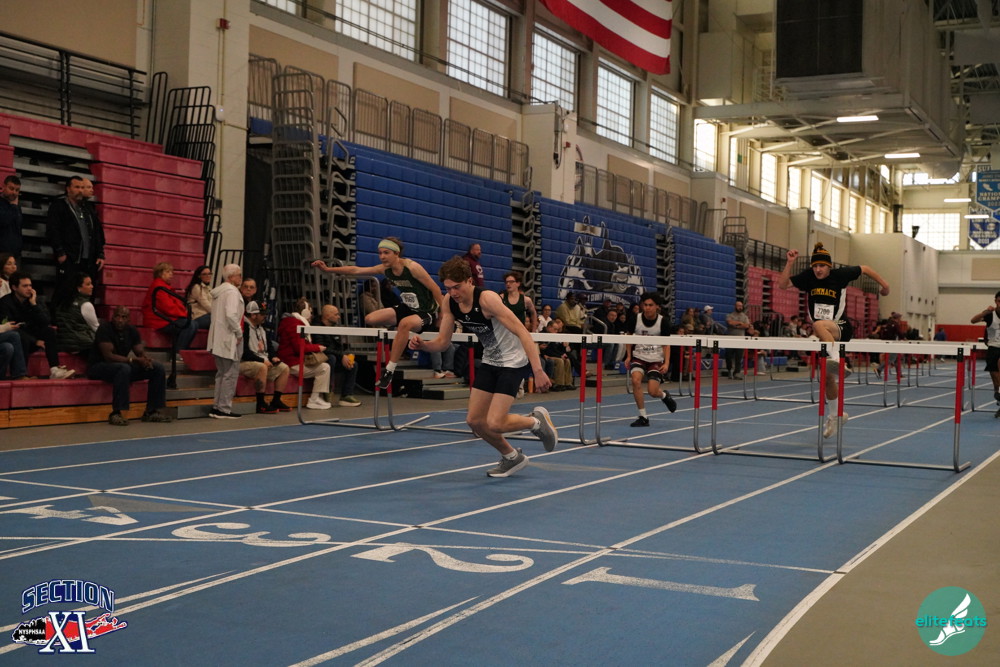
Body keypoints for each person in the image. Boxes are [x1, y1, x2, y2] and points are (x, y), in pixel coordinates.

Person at [408, 257, 557, 478]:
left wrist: (537, 370)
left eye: (457, 287)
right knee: (475, 421)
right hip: (490, 361)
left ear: (470, 281)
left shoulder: (487, 299)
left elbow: (522, 332)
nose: (453, 292)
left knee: (495, 423)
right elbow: (443, 342)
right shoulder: (449, 302)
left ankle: (536, 422)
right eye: (448, 288)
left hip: (512, 362)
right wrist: (424, 345)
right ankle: (512, 457)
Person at [778, 243, 890, 438]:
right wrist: (789, 263)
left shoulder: (840, 275)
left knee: (818, 325)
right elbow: (782, 285)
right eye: (815, 266)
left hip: (840, 327)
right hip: (825, 334)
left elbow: (865, 268)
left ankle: (839, 360)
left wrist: (885, 286)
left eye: (822, 266)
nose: (818, 270)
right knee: (827, 378)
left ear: (829, 266)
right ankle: (836, 415)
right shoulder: (808, 277)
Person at [312, 237, 443, 390]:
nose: (382, 257)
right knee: (371, 318)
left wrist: (442, 316)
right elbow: (356, 270)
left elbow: (435, 289)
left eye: (386, 253)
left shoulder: (412, 267)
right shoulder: (385, 269)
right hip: (408, 308)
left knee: (404, 324)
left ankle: (389, 370)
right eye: (380, 253)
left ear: (396, 253)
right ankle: (401, 334)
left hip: (427, 311)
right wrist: (328, 270)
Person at [87, 305, 171, 425]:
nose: (120, 320)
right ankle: (116, 413)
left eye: (123, 317)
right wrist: (133, 360)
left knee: (157, 368)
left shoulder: (132, 330)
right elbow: (109, 357)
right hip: (99, 366)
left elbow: (139, 351)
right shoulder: (104, 328)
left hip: (120, 367)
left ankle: (151, 411)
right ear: (112, 317)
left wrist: (145, 359)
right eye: (117, 316)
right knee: (124, 368)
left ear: (128, 319)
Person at [0, 271, 75, 379]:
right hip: (19, 339)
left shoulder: (35, 300)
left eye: (30, 285)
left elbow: (46, 321)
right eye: (25, 286)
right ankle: (21, 375)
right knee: (20, 336)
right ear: (14, 287)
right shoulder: (5, 302)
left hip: (32, 336)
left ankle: (54, 370)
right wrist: (34, 341)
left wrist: (34, 305)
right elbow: (11, 328)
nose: (29, 289)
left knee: (49, 331)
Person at [624, 292, 677, 427]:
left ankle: (664, 396)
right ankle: (643, 417)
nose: (647, 308)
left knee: (653, 392)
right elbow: (628, 337)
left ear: (657, 307)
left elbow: (666, 344)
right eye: (645, 305)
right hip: (639, 356)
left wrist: (666, 362)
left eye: (650, 305)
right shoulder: (635, 319)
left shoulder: (663, 322)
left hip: (655, 358)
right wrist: (628, 356)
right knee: (635, 381)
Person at [46, 175, 105, 287]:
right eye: (77, 187)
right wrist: (60, 252)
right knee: (66, 290)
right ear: (68, 189)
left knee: (87, 291)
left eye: (82, 187)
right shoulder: (59, 206)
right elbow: (53, 230)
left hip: (89, 260)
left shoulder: (88, 208)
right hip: (69, 258)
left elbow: (97, 232)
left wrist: (100, 254)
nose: (80, 191)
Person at [276, 297, 333, 410]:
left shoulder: (292, 322)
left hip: (293, 360)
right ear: (306, 312)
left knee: (324, 366)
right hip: (292, 363)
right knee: (324, 368)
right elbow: (299, 347)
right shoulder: (295, 324)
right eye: (310, 312)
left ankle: (316, 398)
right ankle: (314, 399)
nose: (311, 316)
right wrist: (317, 347)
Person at [206, 263, 245, 419]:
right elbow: (231, 315)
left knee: (221, 373)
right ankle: (223, 408)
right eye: (239, 275)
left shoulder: (219, 292)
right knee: (230, 373)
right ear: (232, 277)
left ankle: (217, 406)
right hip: (229, 337)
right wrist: (239, 333)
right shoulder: (232, 292)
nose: (241, 278)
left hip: (218, 337)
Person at [240, 299, 291, 414]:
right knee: (262, 367)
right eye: (262, 314)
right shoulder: (244, 327)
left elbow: (270, 347)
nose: (265, 316)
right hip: (244, 362)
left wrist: (273, 357)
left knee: (284, 368)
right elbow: (244, 352)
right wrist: (262, 360)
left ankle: (276, 400)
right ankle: (260, 403)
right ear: (253, 315)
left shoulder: (261, 327)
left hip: (261, 359)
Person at [141, 262, 199, 356]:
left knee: (193, 324)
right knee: (190, 325)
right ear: (160, 273)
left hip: (165, 318)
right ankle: (177, 353)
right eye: (168, 272)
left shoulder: (164, 286)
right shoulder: (159, 287)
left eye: (171, 272)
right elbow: (167, 307)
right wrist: (185, 315)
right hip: (158, 320)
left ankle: (180, 352)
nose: (171, 274)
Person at [313, 304, 362, 407]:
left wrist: (345, 355)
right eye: (336, 314)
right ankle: (327, 390)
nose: (338, 317)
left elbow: (338, 347)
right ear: (327, 316)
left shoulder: (333, 328)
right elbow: (322, 348)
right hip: (318, 358)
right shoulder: (316, 327)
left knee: (353, 364)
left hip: (334, 357)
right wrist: (341, 356)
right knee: (332, 358)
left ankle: (346, 395)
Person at [53, 272, 99, 356]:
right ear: (79, 288)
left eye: (91, 283)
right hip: (82, 345)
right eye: (88, 284)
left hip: (62, 343)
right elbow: (97, 329)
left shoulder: (62, 302)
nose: (92, 286)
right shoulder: (86, 305)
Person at [970, 291, 1000, 405]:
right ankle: (997, 391)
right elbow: (973, 320)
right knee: (995, 378)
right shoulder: (990, 315)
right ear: (995, 301)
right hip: (993, 347)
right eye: (999, 301)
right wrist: (986, 311)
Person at [724, 300, 757, 379]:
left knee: (739, 357)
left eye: (741, 306)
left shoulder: (744, 316)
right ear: (735, 306)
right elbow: (730, 322)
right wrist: (741, 323)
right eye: (738, 306)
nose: (740, 307)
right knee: (728, 356)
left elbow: (747, 325)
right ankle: (729, 370)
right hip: (730, 339)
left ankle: (737, 372)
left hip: (741, 339)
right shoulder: (730, 315)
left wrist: (737, 325)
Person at [539, 320, 573, 391]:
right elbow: (547, 350)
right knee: (560, 361)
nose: (556, 331)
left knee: (567, 360)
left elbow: (555, 349)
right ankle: (559, 384)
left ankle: (567, 383)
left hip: (551, 354)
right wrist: (559, 356)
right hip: (545, 355)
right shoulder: (542, 334)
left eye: (557, 330)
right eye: (555, 329)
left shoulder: (553, 336)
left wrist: (562, 353)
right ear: (549, 327)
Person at [0, 175, 22, 259]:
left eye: (17, 190)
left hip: (14, 254)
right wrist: (13, 207)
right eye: (11, 188)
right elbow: (4, 221)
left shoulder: (16, 206)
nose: (14, 193)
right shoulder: (14, 206)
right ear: (4, 186)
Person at [185, 265, 214, 330]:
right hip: (197, 317)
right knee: (219, 320)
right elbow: (206, 305)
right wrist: (218, 313)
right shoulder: (196, 287)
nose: (208, 276)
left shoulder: (208, 288)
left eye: (209, 274)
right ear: (199, 276)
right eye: (204, 274)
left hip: (206, 315)